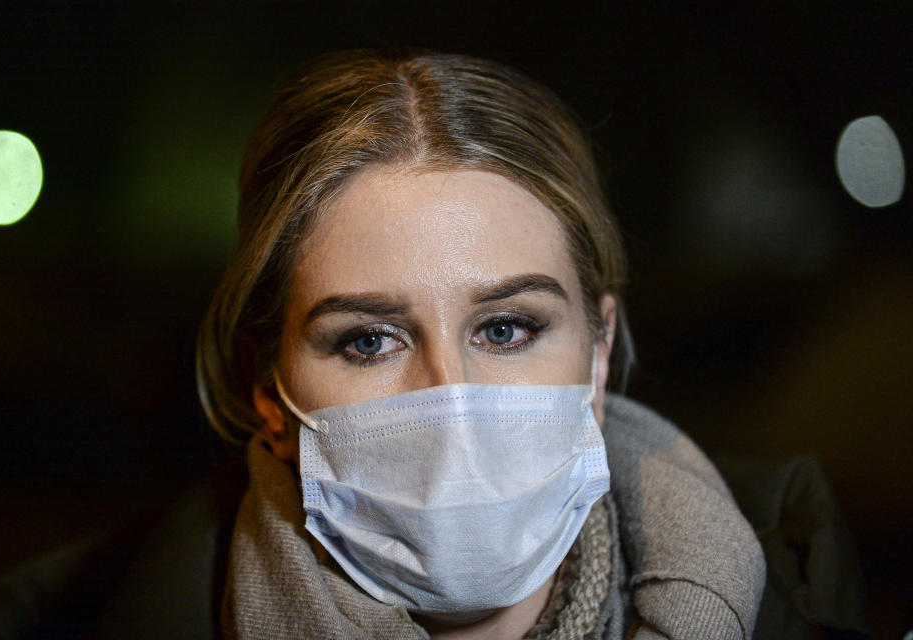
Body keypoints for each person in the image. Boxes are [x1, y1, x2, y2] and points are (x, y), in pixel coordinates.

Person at [184, 49, 766, 640]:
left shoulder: (803, 597)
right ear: (267, 394)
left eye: (505, 329)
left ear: (598, 353)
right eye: (369, 341)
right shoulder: (121, 610)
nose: (453, 402)